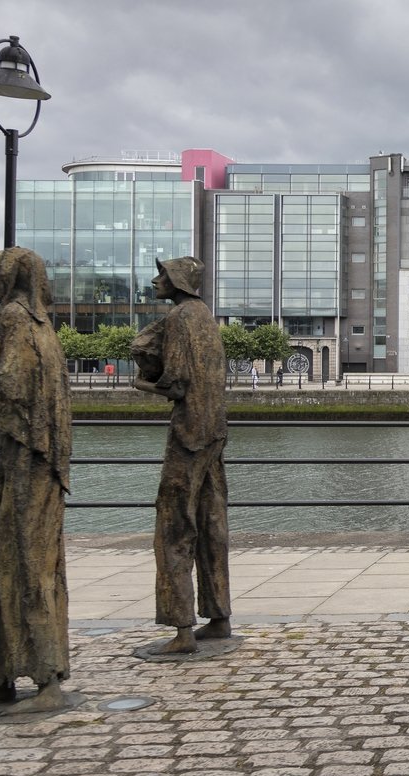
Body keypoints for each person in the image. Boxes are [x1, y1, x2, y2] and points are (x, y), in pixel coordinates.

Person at [0, 247, 72, 714]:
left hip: (27, 458)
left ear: (9, 276)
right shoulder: (42, 326)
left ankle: (46, 681)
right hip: (33, 461)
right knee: (12, 560)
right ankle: (1, 674)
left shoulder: (12, 321)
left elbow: (9, 388)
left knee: (26, 562)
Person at [132, 257, 232, 655]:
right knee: (212, 522)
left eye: (163, 275)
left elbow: (175, 384)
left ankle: (182, 628)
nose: (156, 280)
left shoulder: (177, 318)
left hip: (188, 433)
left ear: (177, 282)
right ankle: (219, 616)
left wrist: (142, 384)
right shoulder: (205, 316)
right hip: (214, 432)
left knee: (174, 526)